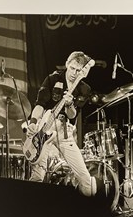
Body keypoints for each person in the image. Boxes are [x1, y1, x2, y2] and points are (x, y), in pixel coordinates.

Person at [25, 51, 97, 197]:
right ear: (67, 65)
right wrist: (33, 123)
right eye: (72, 68)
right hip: (45, 128)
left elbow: (72, 114)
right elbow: (40, 104)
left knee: (85, 179)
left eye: (78, 70)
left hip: (65, 132)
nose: (74, 73)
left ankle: (88, 211)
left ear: (83, 71)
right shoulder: (52, 79)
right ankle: (29, 209)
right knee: (38, 175)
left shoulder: (84, 89)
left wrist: (69, 104)